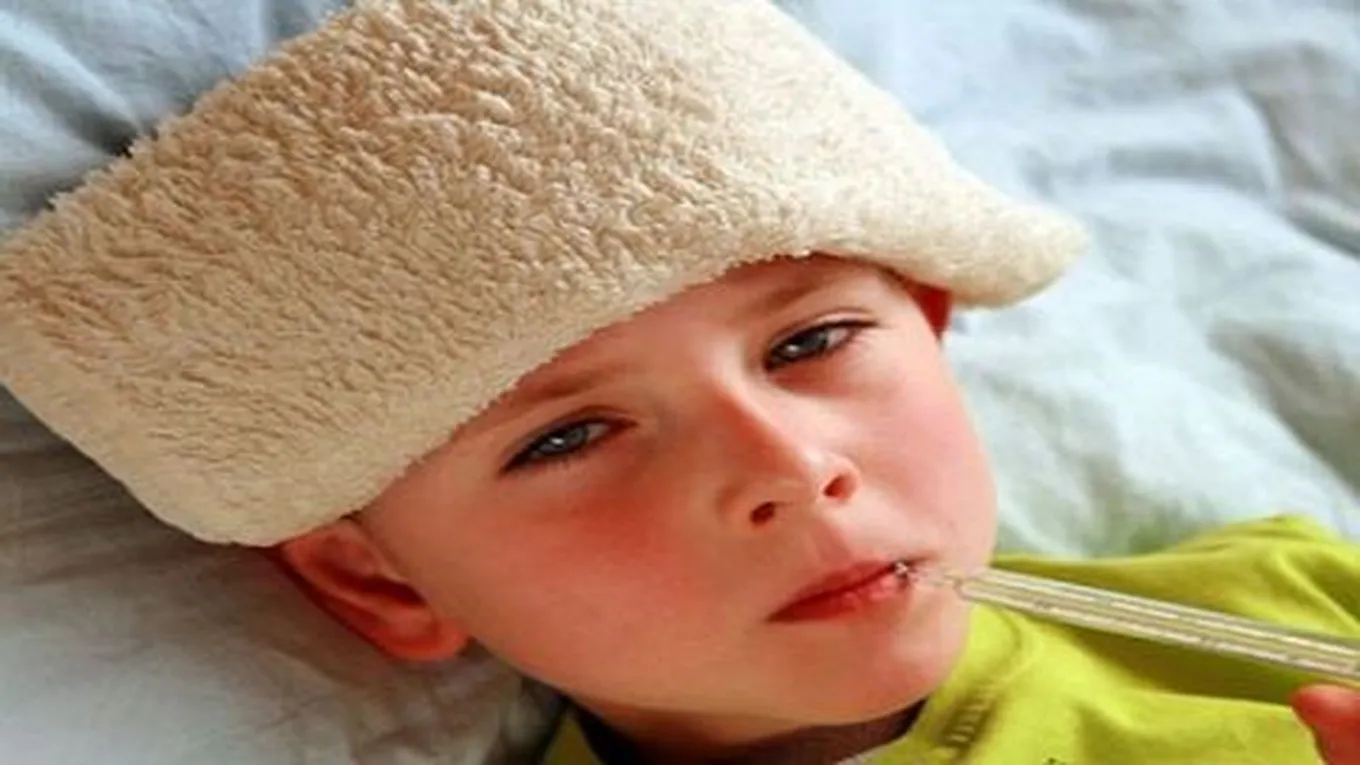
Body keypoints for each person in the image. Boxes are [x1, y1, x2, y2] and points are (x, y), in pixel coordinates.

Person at [0, 1, 1355, 763]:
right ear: (381, 580)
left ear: (931, 320)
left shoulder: (1287, 594)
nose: (790, 468)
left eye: (810, 344)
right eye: (568, 436)